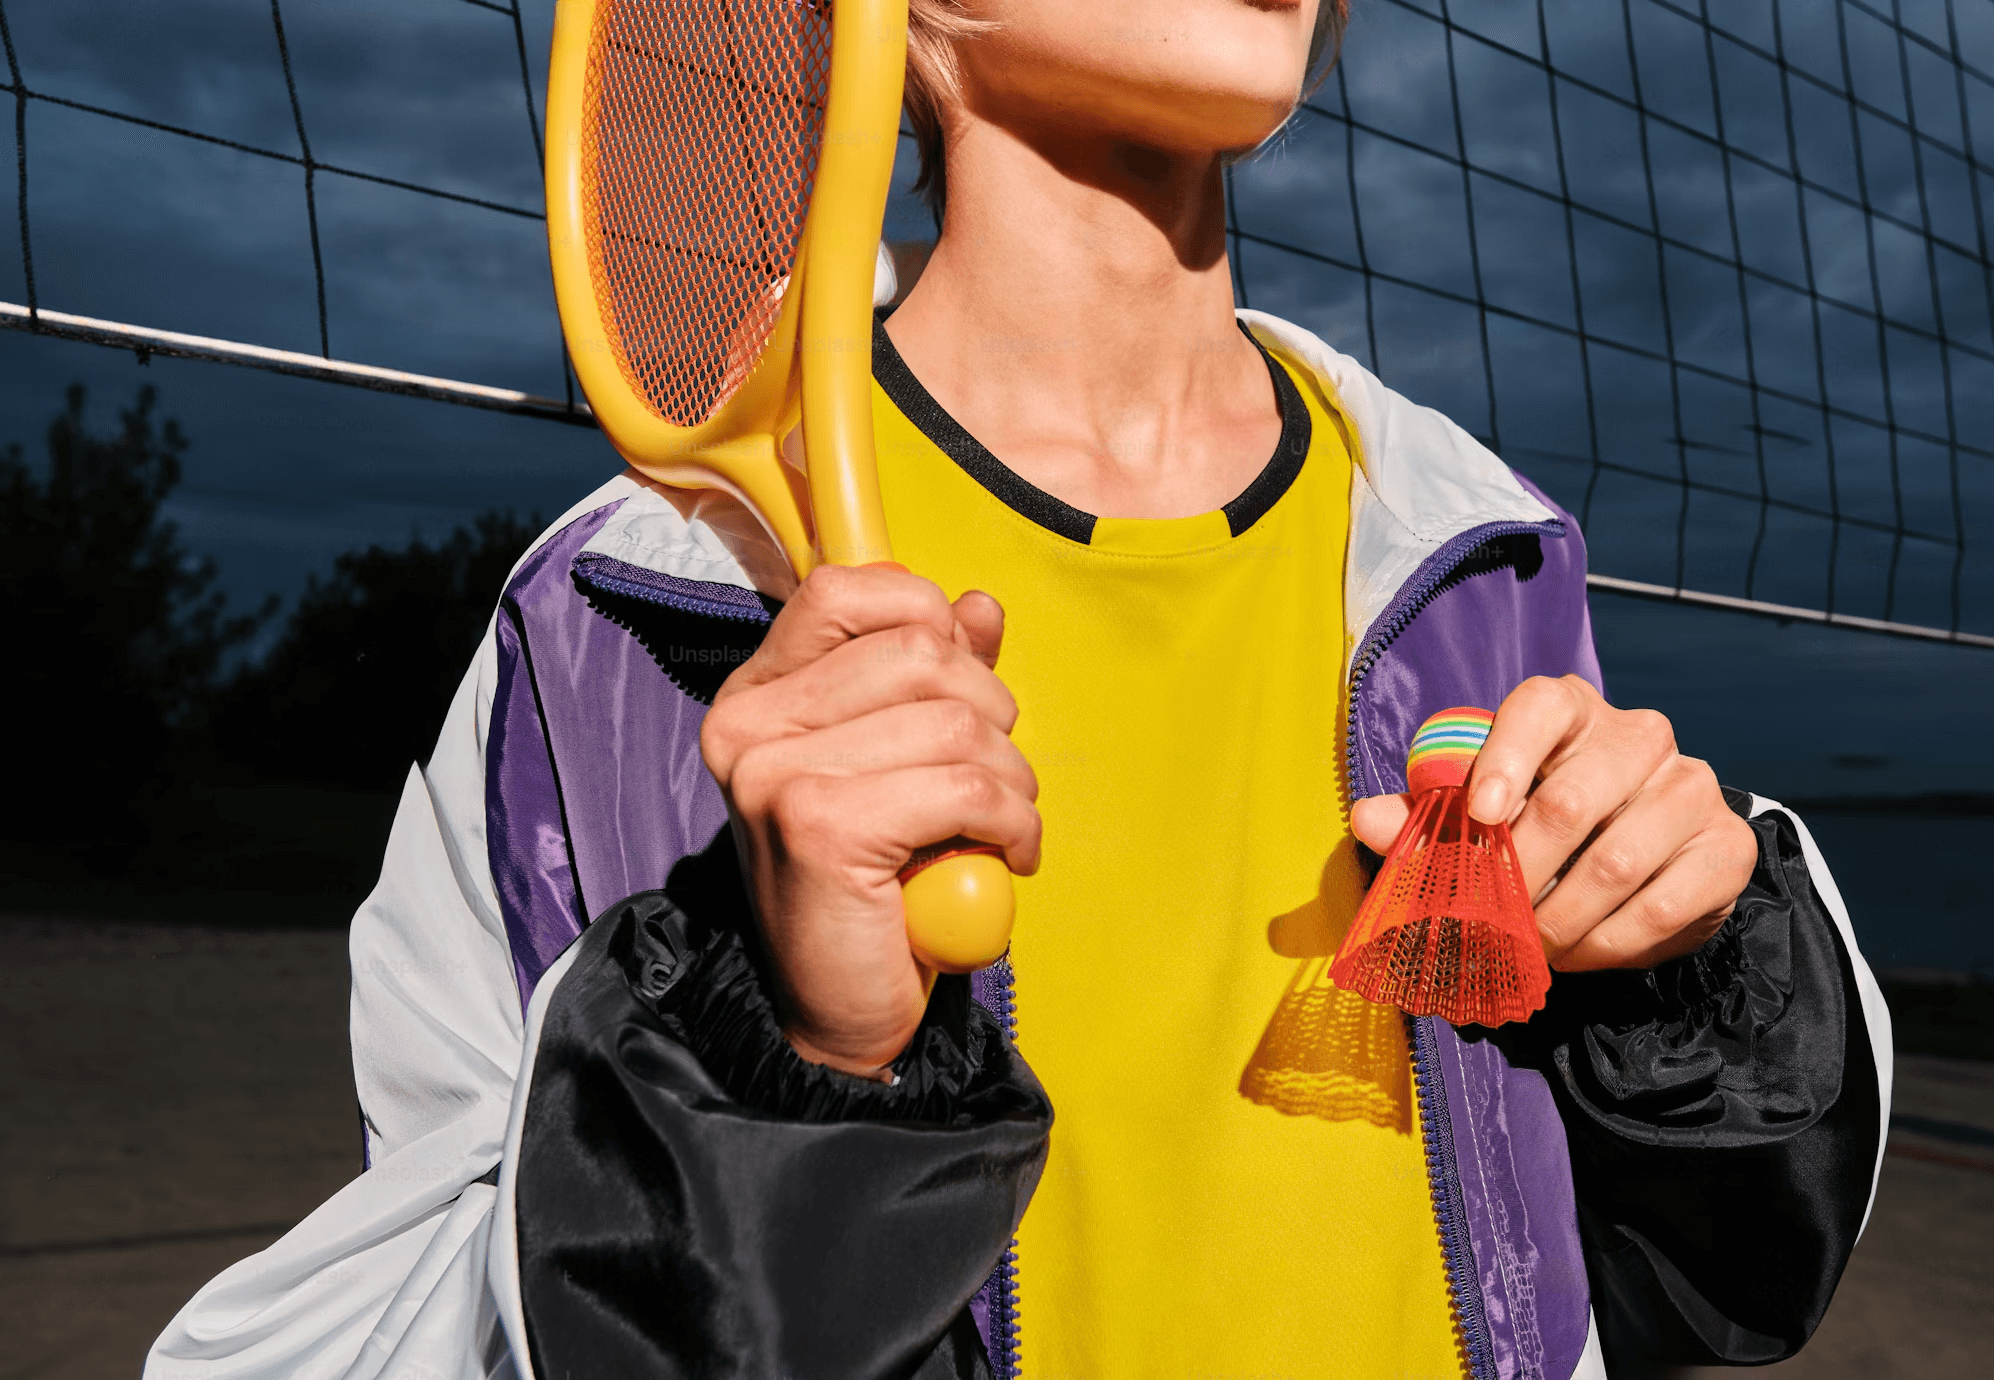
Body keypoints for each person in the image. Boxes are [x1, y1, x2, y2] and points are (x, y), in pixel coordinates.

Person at [148, 1, 1890, 1377]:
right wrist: (784, 1069)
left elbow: (1703, 1284)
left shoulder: (1481, 553)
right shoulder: (621, 619)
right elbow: (339, 1345)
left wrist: (1695, 967)